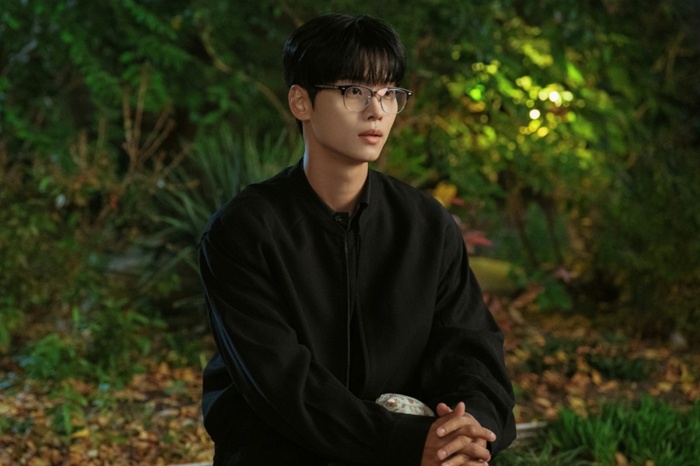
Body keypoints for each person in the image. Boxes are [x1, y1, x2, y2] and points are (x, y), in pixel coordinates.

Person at [199, 13, 516, 466]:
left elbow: (471, 350)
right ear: (301, 102)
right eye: (354, 91)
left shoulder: (425, 225)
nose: (377, 111)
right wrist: (406, 442)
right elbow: (281, 383)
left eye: (389, 93)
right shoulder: (244, 230)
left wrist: (468, 430)